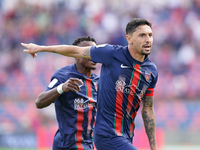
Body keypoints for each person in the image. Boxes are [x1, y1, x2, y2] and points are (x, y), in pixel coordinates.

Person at [22, 18, 158, 150]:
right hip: (74, 144)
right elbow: (39, 102)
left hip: (95, 143)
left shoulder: (102, 82)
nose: (148, 39)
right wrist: (41, 49)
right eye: (142, 35)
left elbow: (146, 108)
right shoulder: (64, 75)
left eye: (150, 35)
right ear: (129, 39)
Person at [31, 36, 99, 150]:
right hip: (67, 145)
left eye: (95, 52)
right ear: (76, 55)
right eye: (87, 52)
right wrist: (61, 88)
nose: (92, 56)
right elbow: (39, 102)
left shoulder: (99, 82)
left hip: (89, 144)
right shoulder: (63, 76)